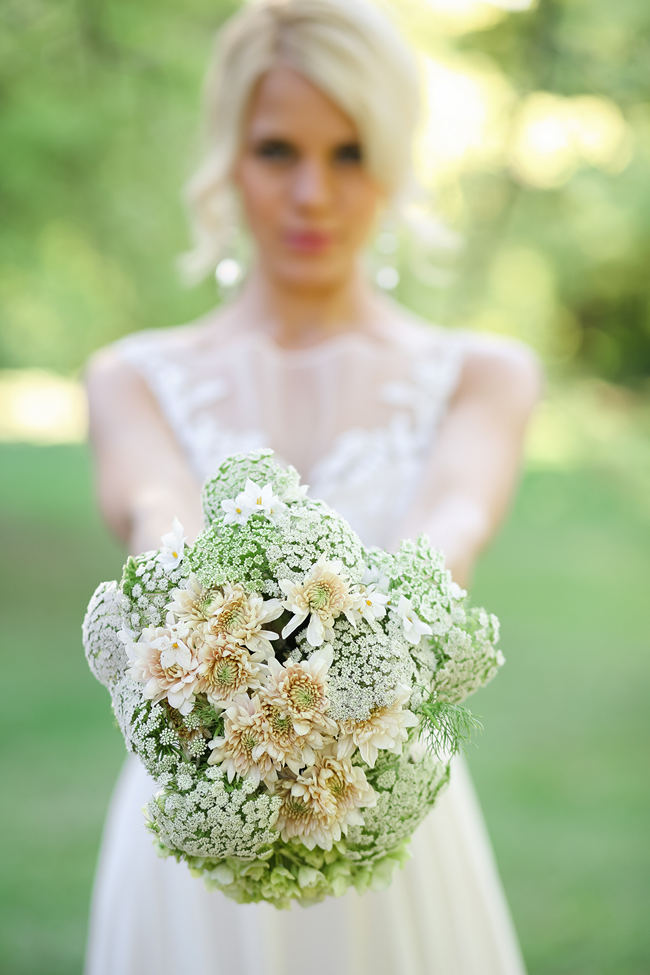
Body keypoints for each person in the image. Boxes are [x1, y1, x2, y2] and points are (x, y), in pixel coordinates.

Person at [82, 1, 542, 972]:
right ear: (227, 159)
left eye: (348, 154)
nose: (310, 196)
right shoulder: (133, 377)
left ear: (396, 162)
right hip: (196, 806)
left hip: (389, 812)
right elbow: (152, 512)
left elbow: (450, 524)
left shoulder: (482, 374)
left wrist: (369, 662)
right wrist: (209, 652)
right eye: (276, 150)